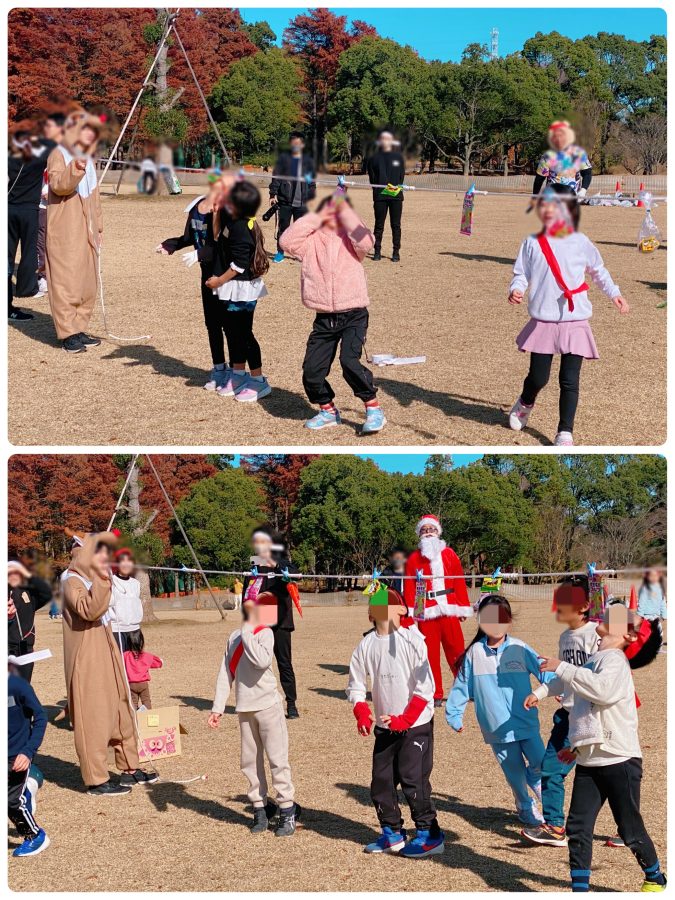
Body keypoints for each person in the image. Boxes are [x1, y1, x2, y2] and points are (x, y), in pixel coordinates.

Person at [530, 601, 666, 892]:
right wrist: (577, 747)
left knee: (629, 829)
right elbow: (586, 713)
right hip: (590, 763)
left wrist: (562, 667)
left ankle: (655, 877)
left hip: (619, 760)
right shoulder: (594, 660)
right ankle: (580, 889)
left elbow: (601, 691)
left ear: (629, 636)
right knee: (578, 828)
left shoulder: (615, 659)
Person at [508, 184, 629, 447]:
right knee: (539, 377)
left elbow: (598, 270)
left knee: (569, 379)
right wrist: (516, 289)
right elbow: (521, 273)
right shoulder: (532, 241)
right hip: (544, 320)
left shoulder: (580, 241)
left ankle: (565, 431)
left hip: (575, 320)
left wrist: (614, 293)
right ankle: (525, 402)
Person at [347, 585, 444, 858]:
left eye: (386, 603)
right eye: (375, 604)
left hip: (415, 725)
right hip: (385, 727)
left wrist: (405, 719)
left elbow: (426, 689)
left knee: (414, 781)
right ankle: (392, 832)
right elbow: (355, 685)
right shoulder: (365, 645)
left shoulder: (413, 641)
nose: (379, 608)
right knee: (381, 782)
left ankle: (429, 833)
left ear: (402, 610)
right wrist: (362, 712)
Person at [280, 193, 385, 434]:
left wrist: (345, 210)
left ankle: (373, 408)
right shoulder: (309, 243)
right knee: (311, 371)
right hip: (324, 318)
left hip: (354, 314)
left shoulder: (352, 241)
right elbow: (287, 241)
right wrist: (317, 215)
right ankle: (327, 410)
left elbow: (367, 242)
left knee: (349, 361)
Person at [61, 530, 156, 795]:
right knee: (94, 716)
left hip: (107, 646)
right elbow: (89, 610)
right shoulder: (72, 580)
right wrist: (103, 577)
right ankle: (96, 779)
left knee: (121, 708)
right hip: (87, 655)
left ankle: (130, 767)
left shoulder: (92, 578)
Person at [446, 594, 552, 827]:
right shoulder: (474, 653)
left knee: (540, 762)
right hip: (496, 727)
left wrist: (552, 687)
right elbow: (462, 685)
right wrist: (454, 713)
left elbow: (545, 671)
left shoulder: (520, 648)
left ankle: (534, 780)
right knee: (514, 773)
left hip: (525, 721)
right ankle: (524, 806)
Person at [209, 591, 300, 837]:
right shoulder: (234, 637)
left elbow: (261, 661)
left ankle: (287, 809)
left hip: (268, 706)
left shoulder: (265, 634)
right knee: (250, 762)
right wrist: (218, 707)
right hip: (244, 709)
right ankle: (259, 808)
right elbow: (225, 672)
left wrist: (249, 631)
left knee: (277, 759)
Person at [520, 576, 600, 847]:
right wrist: (539, 692)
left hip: (591, 717)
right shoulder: (566, 637)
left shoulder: (596, 636)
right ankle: (554, 825)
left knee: (605, 774)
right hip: (566, 719)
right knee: (552, 769)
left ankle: (626, 826)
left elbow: (598, 678)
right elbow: (561, 677)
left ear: (585, 606)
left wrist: (560, 668)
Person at [45, 109, 107, 354]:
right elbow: (58, 185)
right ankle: (67, 333)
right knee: (66, 280)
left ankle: (79, 326)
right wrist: (75, 168)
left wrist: (99, 228)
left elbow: (95, 198)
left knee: (86, 281)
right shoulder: (58, 153)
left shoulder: (87, 158)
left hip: (87, 228)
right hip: (65, 228)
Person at [206, 180, 271, 403]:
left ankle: (258, 380)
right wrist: (215, 213)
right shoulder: (230, 221)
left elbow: (239, 265)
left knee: (244, 334)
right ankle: (238, 374)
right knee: (233, 332)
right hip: (231, 287)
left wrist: (218, 281)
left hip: (242, 289)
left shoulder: (243, 227)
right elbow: (216, 237)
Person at [403, 515, 471, 705]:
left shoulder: (450, 554)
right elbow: (410, 587)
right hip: (426, 611)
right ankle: (435, 692)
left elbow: (459, 581)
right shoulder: (414, 558)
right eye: (424, 530)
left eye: (431, 529)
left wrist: (462, 608)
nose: (428, 533)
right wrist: (413, 614)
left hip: (448, 608)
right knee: (430, 654)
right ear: (419, 534)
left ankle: (466, 689)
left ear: (438, 532)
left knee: (457, 651)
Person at [242, 528, 300, 719]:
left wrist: (275, 564)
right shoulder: (254, 567)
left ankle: (291, 704)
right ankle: (259, 702)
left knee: (284, 663)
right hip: (260, 620)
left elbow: (295, 575)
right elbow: (247, 593)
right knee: (259, 663)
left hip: (281, 620)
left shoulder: (282, 564)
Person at [8, 130, 54, 319]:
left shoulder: (9, 158)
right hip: (29, 210)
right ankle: (27, 287)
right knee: (29, 252)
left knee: (7, 256)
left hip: (8, 208)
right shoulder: (38, 159)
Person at [8, 665, 49, 857]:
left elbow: (40, 717)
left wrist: (27, 751)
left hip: (16, 756)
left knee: (11, 801)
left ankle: (34, 836)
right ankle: (28, 789)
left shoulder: (17, 686)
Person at [269, 132, 316, 263]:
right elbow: (276, 179)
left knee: (301, 230)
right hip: (285, 201)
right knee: (283, 228)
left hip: (302, 203)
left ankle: (299, 252)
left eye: (298, 143)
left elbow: (311, 182)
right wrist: (272, 194)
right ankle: (280, 252)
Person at [8, 559, 52, 682]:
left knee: (24, 687)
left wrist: (29, 575)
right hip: (7, 648)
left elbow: (47, 593)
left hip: (26, 648)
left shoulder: (27, 592)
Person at [37, 112, 66, 294]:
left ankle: (60, 278)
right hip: (41, 205)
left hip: (62, 207)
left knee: (60, 243)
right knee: (41, 243)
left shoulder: (68, 151)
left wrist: (53, 190)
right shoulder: (40, 150)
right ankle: (43, 278)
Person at [366, 129, 405, 262]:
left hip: (396, 196)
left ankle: (396, 252)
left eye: (388, 138)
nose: (385, 141)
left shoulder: (398, 157)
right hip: (380, 196)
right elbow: (372, 178)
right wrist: (378, 190)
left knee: (396, 225)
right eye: (383, 139)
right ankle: (377, 251)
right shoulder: (373, 158)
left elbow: (401, 176)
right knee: (379, 225)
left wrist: (395, 187)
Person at [532, 121, 592, 199]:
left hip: (574, 198)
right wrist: (535, 197)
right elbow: (539, 179)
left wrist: (583, 190)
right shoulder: (548, 156)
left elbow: (587, 173)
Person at [108, 547, 143, 652]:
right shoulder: (111, 581)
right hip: (117, 630)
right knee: (119, 663)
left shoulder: (136, 584)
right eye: (122, 561)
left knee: (133, 662)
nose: (126, 564)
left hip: (134, 630)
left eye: (129, 561)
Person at [123, 629, 162, 710]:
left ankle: (135, 716)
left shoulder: (125, 655)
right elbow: (159, 663)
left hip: (131, 684)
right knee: (146, 701)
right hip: (143, 683)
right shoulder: (146, 656)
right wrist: (161, 661)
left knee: (133, 702)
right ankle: (145, 712)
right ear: (141, 642)